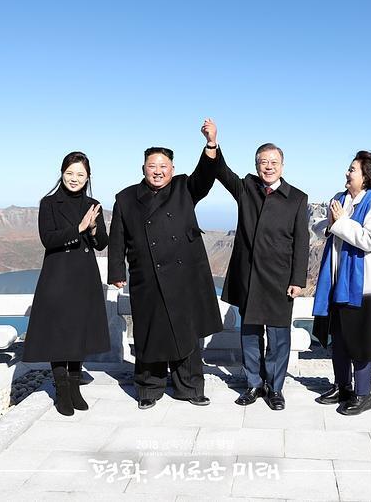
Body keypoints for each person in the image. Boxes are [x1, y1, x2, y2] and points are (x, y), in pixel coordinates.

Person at [108, 119, 223, 409]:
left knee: (187, 334)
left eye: (163, 166)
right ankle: (148, 389)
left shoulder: (185, 187)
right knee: (150, 333)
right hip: (147, 276)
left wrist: (211, 144)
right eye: (152, 166)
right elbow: (117, 237)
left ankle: (191, 387)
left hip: (185, 277)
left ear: (172, 168)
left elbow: (206, 175)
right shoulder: (126, 198)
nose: (157, 171)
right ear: (143, 168)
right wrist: (116, 272)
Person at [214, 130, 310, 411]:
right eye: (262, 162)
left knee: (279, 338)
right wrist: (212, 144)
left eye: (273, 162)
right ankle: (254, 384)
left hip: (280, 279)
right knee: (250, 334)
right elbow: (222, 171)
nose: (268, 167)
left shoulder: (297, 198)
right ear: (256, 165)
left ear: (282, 165)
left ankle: (275, 388)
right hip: (250, 277)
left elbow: (301, 242)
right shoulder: (246, 188)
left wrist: (297, 279)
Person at [23, 151, 110, 415]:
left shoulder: (93, 204)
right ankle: (62, 390)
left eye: (80, 174)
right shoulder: (49, 203)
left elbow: (102, 243)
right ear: (62, 173)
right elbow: (48, 239)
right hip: (58, 276)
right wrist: (79, 229)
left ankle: (74, 387)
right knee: (59, 334)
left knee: (78, 332)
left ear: (88, 177)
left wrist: (93, 229)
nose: (74, 178)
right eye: (70, 173)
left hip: (84, 276)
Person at [312, 151, 371, 415]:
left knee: (360, 339)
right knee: (340, 337)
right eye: (348, 169)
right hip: (337, 282)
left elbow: (370, 240)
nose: (347, 173)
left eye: (352, 169)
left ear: (366, 176)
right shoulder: (340, 199)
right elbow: (321, 227)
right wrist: (331, 223)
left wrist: (341, 222)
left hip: (362, 287)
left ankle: (363, 394)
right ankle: (342, 386)